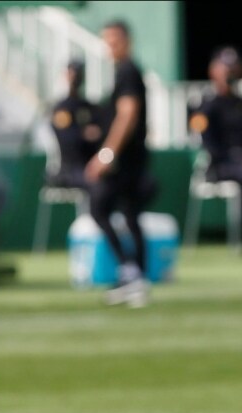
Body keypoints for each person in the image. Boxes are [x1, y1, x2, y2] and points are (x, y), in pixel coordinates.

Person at [84, 18, 158, 308]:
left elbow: (128, 114)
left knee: (99, 207)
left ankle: (131, 271)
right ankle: (135, 278)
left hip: (126, 160)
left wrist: (106, 154)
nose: (110, 45)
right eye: (107, 39)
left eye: (115, 39)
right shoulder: (124, 71)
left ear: (126, 40)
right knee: (130, 214)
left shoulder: (127, 70)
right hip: (131, 157)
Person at [188, 46, 242, 258]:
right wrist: (239, 159)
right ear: (213, 71)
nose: (229, 74)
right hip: (221, 167)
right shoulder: (207, 106)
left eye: (232, 69)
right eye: (225, 69)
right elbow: (209, 145)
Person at [47, 59, 103, 189]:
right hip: (70, 170)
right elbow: (68, 140)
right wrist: (84, 134)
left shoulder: (89, 107)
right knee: (99, 187)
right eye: (72, 73)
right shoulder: (62, 109)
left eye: (78, 73)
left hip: (90, 165)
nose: (76, 77)